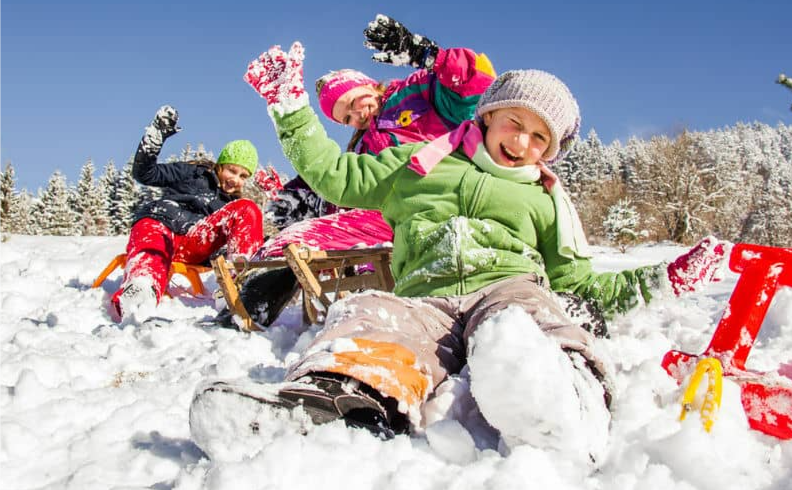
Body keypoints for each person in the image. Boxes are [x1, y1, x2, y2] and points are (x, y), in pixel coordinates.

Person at [191, 44, 730, 467]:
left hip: (509, 286)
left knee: (529, 320)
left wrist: (666, 278)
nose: (522, 143)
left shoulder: (544, 197)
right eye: (515, 123)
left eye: (540, 137)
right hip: (426, 295)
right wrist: (290, 107)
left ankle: (563, 402)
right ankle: (325, 403)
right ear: (490, 115)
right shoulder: (421, 163)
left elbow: (578, 283)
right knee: (371, 315)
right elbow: (335, 174)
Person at [236, 15, 497, 325]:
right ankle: (245, 313)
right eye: (345, 118)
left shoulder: (415, 92)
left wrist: (426, 55)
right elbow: (336, 182)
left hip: (441, 205)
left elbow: (477, 87)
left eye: (352, 102)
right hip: (387, 220)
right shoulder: (359, 148)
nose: (355, 116)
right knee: (300, 238)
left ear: (367, 85)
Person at [110, 106, 264, 322]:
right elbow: (145, 174)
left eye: (243, 176)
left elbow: (242, 238)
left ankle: (236, 286)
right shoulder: (193, 172)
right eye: (232, 170)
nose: (236, 179)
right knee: (152, 247)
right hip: (160, 224)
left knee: (248, 208)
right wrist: (155, 138)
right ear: (219, 165)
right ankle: (141, 289)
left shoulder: (232, 205)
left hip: (194, 241)